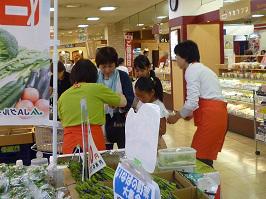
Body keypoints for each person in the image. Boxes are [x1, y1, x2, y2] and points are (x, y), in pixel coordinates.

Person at [167, 40, 228, 167]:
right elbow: (203, 98)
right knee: (204, 155)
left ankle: (209, 185)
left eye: (177, 56)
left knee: (200, 157)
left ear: (185, 57)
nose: (176, 59)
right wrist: (189, 114)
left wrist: (176, 117)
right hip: (217, 115)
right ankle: (210, 184)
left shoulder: (191, 70)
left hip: (212, 117)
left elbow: (191, 102)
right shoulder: (201, 69)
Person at [58, 59, 127, 154]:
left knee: (71, 168)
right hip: (93, 141)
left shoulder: (63, 96)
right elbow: (123, 102)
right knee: (96, 168)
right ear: (94, 75)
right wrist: (119, 96)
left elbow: (62, 120)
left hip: (70, 144)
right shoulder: (97, 88)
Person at [96, 47, 134, 150]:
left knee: (125, 150)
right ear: (98, 65)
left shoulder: (123, 76)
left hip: (120, 120)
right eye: (103, 67)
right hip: (101, 120)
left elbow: (130, 98)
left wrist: (119, 104)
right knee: (104, 152)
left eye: (110, 66)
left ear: (115, 64)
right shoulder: (94, 78)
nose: (107, 70)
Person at [135, 77, 169, 149]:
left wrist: (148, 124)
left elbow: (163, 130)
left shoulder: (158, 107)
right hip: (142, 141)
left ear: (152, 92)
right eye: (138, 96)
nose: (140, 99)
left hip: (155, 143)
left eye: (142, 96)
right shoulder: (140, 103)